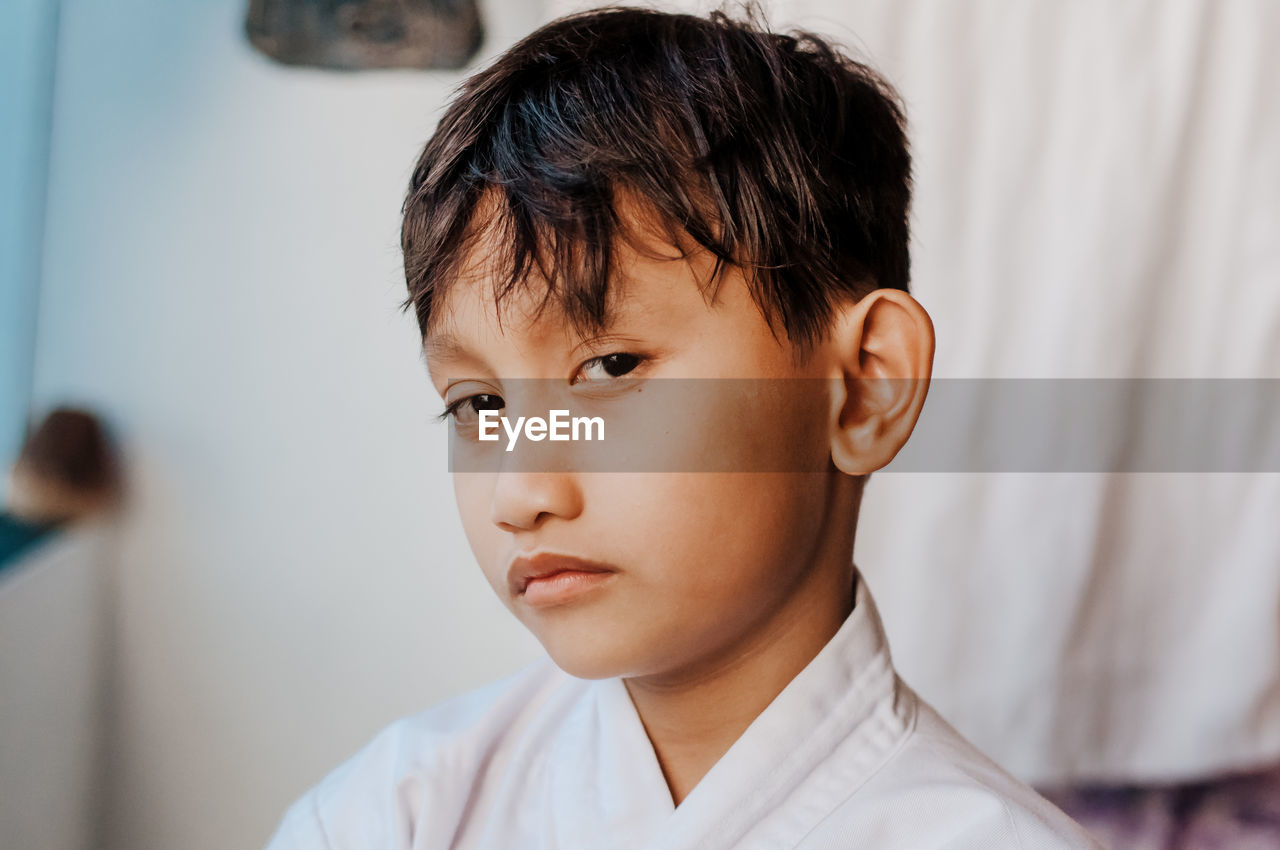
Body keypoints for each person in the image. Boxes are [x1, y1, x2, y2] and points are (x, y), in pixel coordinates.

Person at [266, 7, 1099, 848]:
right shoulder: (391, 814)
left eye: (612, 368)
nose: (519, 493)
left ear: (861, 386)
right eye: (479, 405)